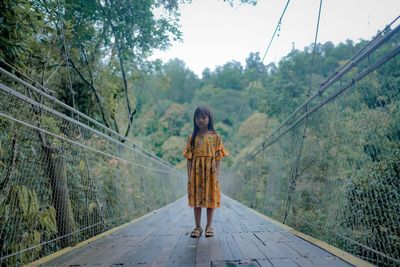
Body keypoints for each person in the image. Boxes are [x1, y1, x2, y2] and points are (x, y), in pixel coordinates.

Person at [182, 105, 229, 238]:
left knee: (210, 199)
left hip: (211, 173)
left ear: (209, 119)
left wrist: (217, 175)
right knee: (197, 200)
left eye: (203, 117)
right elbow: (189, 159)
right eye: (198, 117)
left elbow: (218, 159)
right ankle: (197, 227)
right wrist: (189, 175)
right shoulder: (192, 138)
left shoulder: (215, 137)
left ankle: (209, 226)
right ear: (194, 119)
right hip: (196, 174)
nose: (200, 120)